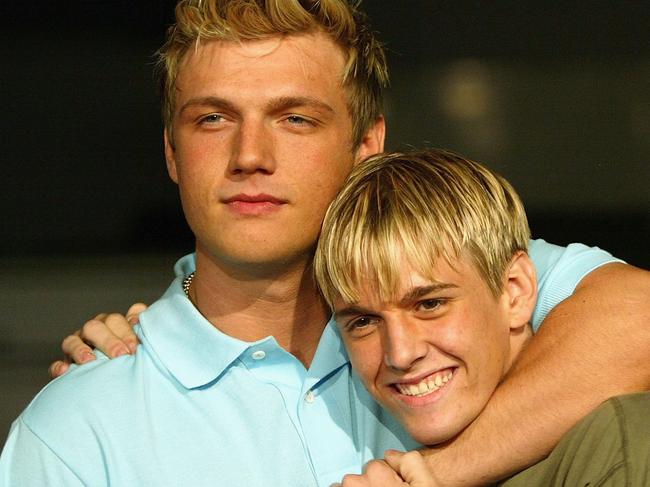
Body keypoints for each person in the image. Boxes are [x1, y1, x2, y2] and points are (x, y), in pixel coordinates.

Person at [3, 0, 649, 485]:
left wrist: (439, 472)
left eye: (295, 119)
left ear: (366, 146)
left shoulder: (451, 294)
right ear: (173, 152)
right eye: (213, 118)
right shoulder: (74, 429)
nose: (249, 155)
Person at [309, 149, 650, 486]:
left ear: (515, 292)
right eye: (364, 322)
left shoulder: (615, 444)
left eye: (430, 305)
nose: (400, 354)